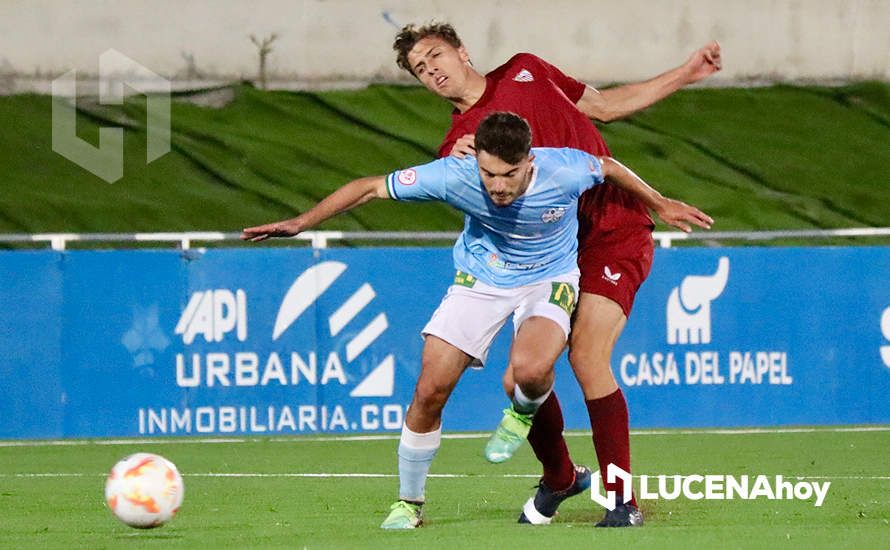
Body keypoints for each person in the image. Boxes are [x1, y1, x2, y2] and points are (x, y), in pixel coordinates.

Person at [241, 112, 711, 529]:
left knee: (528, 371)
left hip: (548, 280)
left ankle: (523, 413)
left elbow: (608, 167)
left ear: (530, 162)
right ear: (477, 162)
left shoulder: (564, 168)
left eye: (509, 174)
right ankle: (409, 503)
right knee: (429, 390)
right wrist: (301, 222)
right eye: (489, 173)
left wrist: (659, 202)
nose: (498, 186)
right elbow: (368, 187)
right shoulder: (455, 175)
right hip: (479, 281)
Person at [392, 22, 722, 526]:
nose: (431, 69)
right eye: (420, 68)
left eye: (435, 55)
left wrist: (686, 73)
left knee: (588, 356)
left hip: (611, 229)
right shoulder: (458, 148)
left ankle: (620, 500)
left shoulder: (529, 69)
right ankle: (561, 478)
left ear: (463, 52)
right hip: (545, 261)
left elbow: (605, 108)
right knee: (522, 377)